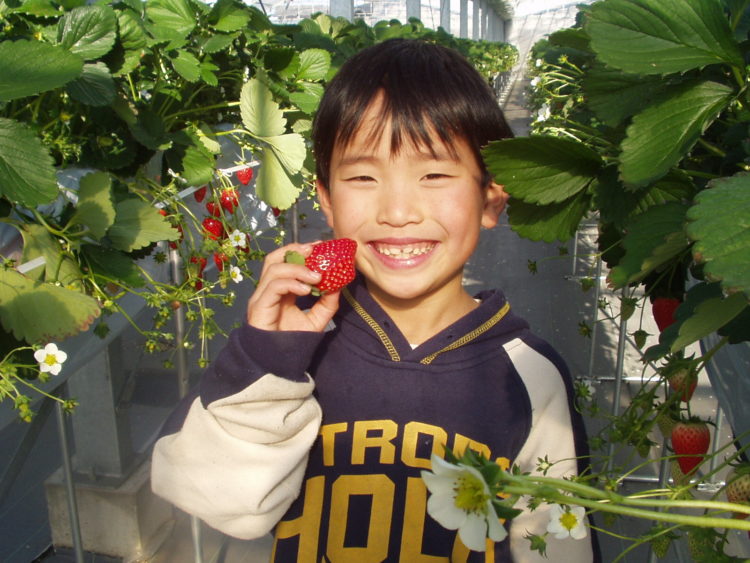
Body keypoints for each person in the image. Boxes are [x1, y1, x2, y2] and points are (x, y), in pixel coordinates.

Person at [152, 38, 597, 562]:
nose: (398, 210)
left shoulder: (528, 375)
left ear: (489, 199)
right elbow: (220, 501)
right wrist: (267, 359)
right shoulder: (296, 348)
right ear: (327, 201)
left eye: (434, 175)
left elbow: (555, 543)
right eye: (363, 177)